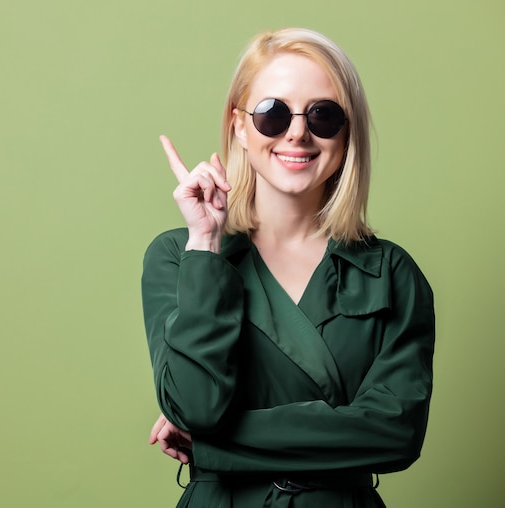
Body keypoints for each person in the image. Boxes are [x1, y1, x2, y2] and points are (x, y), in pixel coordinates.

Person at [141, 27, 435, 508]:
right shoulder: (180, 256)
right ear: (239, 125)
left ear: (347, 132)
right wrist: (205, 244)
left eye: (323, 115)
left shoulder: (390, 272)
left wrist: (214, 442)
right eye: (272, 114)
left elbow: (395, 434)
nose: (297, 132)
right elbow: (196, 404)